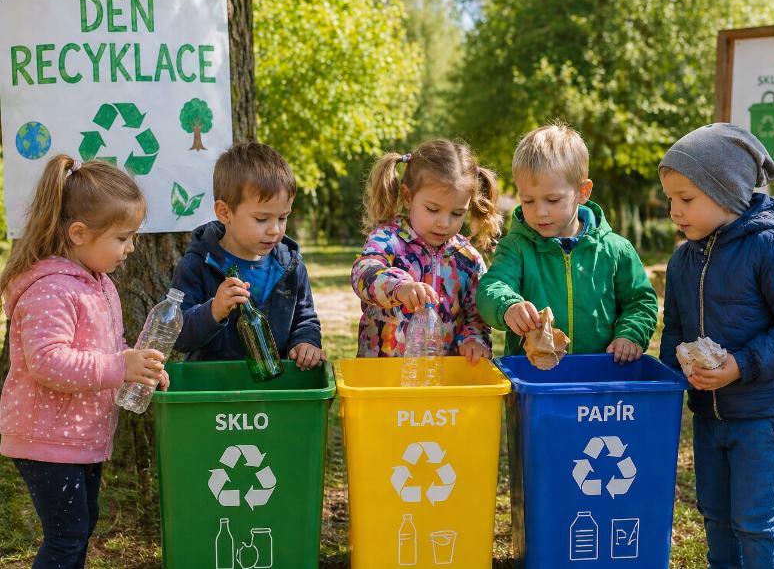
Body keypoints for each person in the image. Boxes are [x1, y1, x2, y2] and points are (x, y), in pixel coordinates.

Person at [0, 155, 167, 568]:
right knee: (67, 536)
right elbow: (48, 362)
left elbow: (110, 347)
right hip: (47, 439)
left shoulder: (99, 284)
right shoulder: (52, 290)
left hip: (77, 438)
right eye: (123, 237)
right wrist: (120, 367)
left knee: (81, 527)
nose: (131, 248)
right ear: (78, 234)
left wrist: (138, 368)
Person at [659, 123, 774, 568]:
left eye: (686, 199)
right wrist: (670, 379)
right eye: (670, 199)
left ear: (726, 192)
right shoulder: (682, 259)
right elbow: (675, 329)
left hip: (763, 415)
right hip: (709, 416)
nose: (674, 211)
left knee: (755, 522)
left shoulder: (770, 245)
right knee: (716, 516)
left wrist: (740, 364)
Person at [476, 121, 658, 360]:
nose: (540, 211)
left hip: (601, 374)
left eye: (552, 200)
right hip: (534, 375)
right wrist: (508, 306)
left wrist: (630, 335)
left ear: (582, 192)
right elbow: (491, 287)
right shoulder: (516, 248)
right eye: (528, 200)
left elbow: (640, 302)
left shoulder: (616, 250)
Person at [171, 142, 324, 368]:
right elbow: (178, 336)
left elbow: (305, 318)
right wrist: (213, 311)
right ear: (224, 212)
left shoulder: (290, 265)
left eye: (283, 218)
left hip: (278, 384)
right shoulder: (198, 265)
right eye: (262, 219)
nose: (274, 229)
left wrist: (306, 342)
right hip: (215, 385)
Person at [351, 138, 502, 363]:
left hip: (442, 376)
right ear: (408, 197)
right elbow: (363, 273)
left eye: (457, 213)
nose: (444, 223)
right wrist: (400, 287)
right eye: (433, 209)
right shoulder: (388, 240)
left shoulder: (468, 259)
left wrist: (475, 340)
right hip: (383, 373)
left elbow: (476, 316)